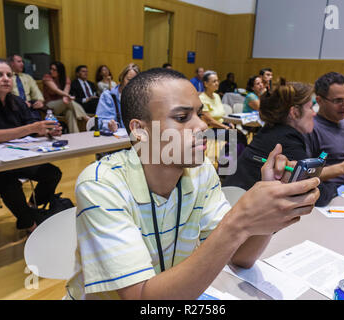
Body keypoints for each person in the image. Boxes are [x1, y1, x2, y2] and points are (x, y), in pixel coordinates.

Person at [64, 67, 320, 300]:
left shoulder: (200, 172)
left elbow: (241, 258)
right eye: (183, 117)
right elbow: (142, 299)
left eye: (198, 113)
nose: (201, 125)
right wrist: (238, 220)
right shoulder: (101, 184)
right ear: (140, 130)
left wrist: (267, 210)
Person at [0, 58, 63, 233]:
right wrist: (31, 128)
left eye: (9, 75)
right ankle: (31, 225)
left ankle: (30, 208)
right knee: (10, 184)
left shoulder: (15, 101)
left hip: (12, 157)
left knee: (52, 173)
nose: (6, 78)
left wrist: (46, 130)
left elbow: (32, 125)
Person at [224, 79, 338, 206]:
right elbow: (317, 195)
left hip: (236, 199)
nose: (314, 113)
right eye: (310, 108)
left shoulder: (272, 131)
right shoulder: (286, 141)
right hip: (240, 208)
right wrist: (336, 188)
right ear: (294, 112)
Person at [42, 61, 89, 133]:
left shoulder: (66, 79)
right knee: (69, 102)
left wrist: (66, 97)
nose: (51, 71)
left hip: (63, 104)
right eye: (51, 69)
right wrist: (68, 96)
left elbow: (65, 94)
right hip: (50, 106)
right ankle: (86, 118)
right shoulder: (47, 77)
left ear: (60, 71)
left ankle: (75, 135)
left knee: (70, 113)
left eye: (54, 70)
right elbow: (56, 89)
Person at [96, 63, 140, 131]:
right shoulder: (107, 96)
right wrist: (109, 125)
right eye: (129, 80)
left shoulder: (139, 97)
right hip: (112, 138)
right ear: (122, 78)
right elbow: (100, 121)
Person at [7, 54, 45, 121]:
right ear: (11, 63)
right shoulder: (7, 78)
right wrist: (21, 103)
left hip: (29, 107)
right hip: (14, 107)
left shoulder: (28, 77)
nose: (22, 64)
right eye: (19, 62)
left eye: (22, 62)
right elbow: (6, 95)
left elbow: (36, 92)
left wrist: (39, 101)